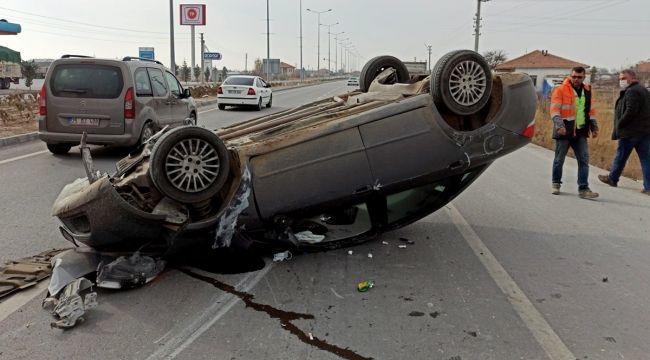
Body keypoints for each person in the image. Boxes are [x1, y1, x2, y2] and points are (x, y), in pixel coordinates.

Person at [550, 66, 600, 199]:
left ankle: (583, 189)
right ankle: (556, 183)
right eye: (574, 76)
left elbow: (591, 111)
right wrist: (559, 125)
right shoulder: (560, 90)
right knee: (559, 160)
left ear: (584, 77)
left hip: (581, 131)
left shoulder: (587, 90)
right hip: (564, 130)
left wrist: (594, 127)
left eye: (579, 77)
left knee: (584, 160)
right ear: (570, 76)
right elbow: (554, 110)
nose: (576, 79)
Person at [598, 69, 650, 195]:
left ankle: (612, 179)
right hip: (644, 131)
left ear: (632, 78)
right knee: (645, 158)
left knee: (621, 156)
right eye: (620, 79)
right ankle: (648, 187)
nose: (621, 81)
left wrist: (620, 123)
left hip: (630, 131)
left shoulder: (632, 91)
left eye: (623, 78)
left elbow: (631, 110)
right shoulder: (644, 90)